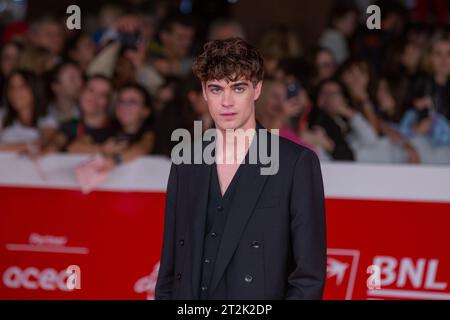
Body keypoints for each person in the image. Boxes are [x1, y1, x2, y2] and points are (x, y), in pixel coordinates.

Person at [155, 37, 326, 300]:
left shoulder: (295, 163)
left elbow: (308, 276)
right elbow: (170, 265)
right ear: (203, 91)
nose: (226, 101)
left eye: (238, 88)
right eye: (215, 89)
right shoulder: (186, 161)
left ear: (256, 90)